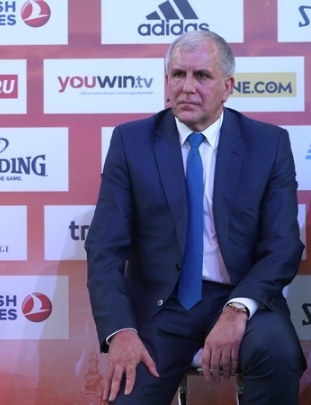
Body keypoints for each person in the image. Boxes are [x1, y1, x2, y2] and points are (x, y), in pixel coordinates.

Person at [85, 30, 306, 404]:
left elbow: (282, 245)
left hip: (241, 298)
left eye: (201, 75)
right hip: (161, 308)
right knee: (128, 395)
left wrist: (238, 308)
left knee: (278, 353)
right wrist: (120, 331)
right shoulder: (131, 142)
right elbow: (104, 248)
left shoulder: (268, 144)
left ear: (227, 87)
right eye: (178, 74)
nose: (187, 87)